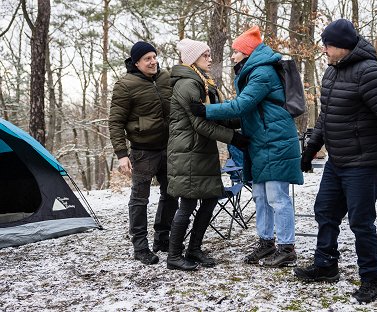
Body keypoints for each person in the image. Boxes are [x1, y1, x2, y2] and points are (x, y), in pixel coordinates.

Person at [293, 19, 377, 303]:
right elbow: (326, 116)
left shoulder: (369, 73)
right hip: (339, 158)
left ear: (342, 46)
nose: (323, 49)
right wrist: (311, 149)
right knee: (325, 211)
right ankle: (325, 265)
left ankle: (373, 277)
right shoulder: (332, 73)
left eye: (327, 45)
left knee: (361, 221)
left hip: (366, 160)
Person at [190, 26, 303, 268]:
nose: (232, 56)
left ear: (247, 52)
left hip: (276, 142)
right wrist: (222, 118)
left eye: (236, 51)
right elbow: (249, 111)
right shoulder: (252, 71)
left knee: (277, 198)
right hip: (262, 143)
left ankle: (287, 248)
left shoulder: (262, 73)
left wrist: (206, 110)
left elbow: (242, 105)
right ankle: (266, 243)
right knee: (261, 196)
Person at [166, 38, 249, 271]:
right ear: (193, 59)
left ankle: (194, 249)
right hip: (188, 151)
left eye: (210, 55)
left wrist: (240, 119)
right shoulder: (187, 85)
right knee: (188, 202)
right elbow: (200, 124)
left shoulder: (205, 82)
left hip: (202, 152)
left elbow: (215, 115)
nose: (210, 59)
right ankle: (174, 255)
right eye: (205, 55)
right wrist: (235, 138)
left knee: (211, 197)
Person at [109, 41, 179, 265]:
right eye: (147, 58)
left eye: (154, 56)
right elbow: (115, 121)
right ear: (136, 62)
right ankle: (140, 246)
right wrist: (121, 154)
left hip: (169, 149)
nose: (153, 61)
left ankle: (162, 238)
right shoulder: (125, 85)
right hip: (142, 152)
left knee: (171, 195)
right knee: (140, 199)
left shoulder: (166, 78)